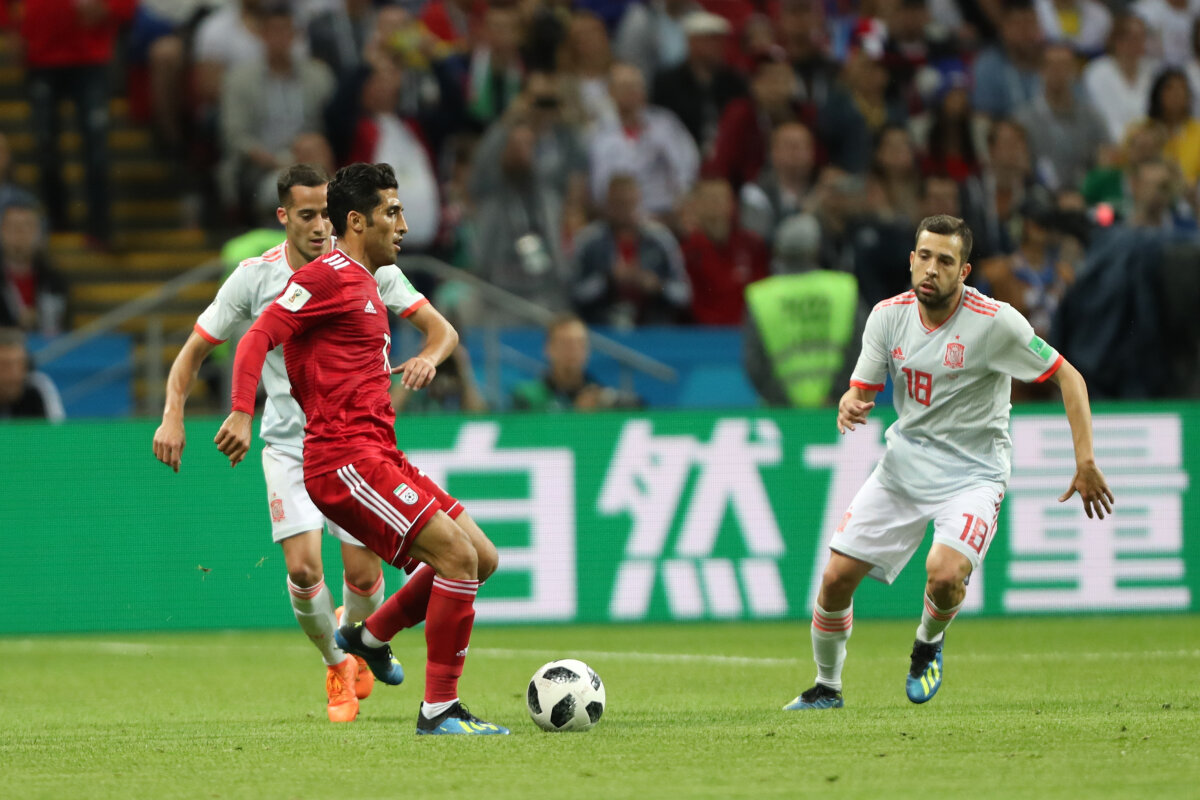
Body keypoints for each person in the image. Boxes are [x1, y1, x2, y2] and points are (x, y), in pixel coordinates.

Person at [214, 162, 506, 736]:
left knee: (482, 557)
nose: (403, 225)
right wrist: (242, 411)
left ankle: (368, 636)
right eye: (391, 212)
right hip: (344, 460)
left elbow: (438, 332)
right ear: (356, 221)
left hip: (380, 453)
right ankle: (439, 710)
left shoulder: (369, 282)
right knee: (456, 559)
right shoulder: (329, 277)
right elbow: (257, 336)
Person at [784, 214, 1114, 711]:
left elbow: (1069, 377)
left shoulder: (995, 322)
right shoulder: (887, 317)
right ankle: (826, 688)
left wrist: (1084, 459)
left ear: (964, 271)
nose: (931, 268)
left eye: (944, 260)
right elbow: (861, 390)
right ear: (911, 260)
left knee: (943, 574)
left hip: (973, 475)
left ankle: (928, 643)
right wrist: (850, 402)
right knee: (834, 580)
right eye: (924, 256)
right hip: (903, 469)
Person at [154, 164, 431, 724]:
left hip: (353, 445)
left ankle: (358, 639)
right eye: (307, 215)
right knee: (304, 570)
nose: (321, 226)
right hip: (288, 447)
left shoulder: (366, 266)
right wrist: (172, 416)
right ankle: (336, 664)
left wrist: (427, 356)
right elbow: (193, 351)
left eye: (327, 214)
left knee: (363, 575)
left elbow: (434, 324)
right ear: (284, 216)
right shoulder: (255, 278)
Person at [510, 313, 640, 412]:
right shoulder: (528, 396)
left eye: (580, 343)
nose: (574, 350)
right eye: (566, 343)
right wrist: (576, 413)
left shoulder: (600, 396)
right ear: (548, 348)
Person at [0, 327, 64, 421]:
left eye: (20, 364)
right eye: (5, 365)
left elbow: (57, 428)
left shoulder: (37, 387)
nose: (14, 374)